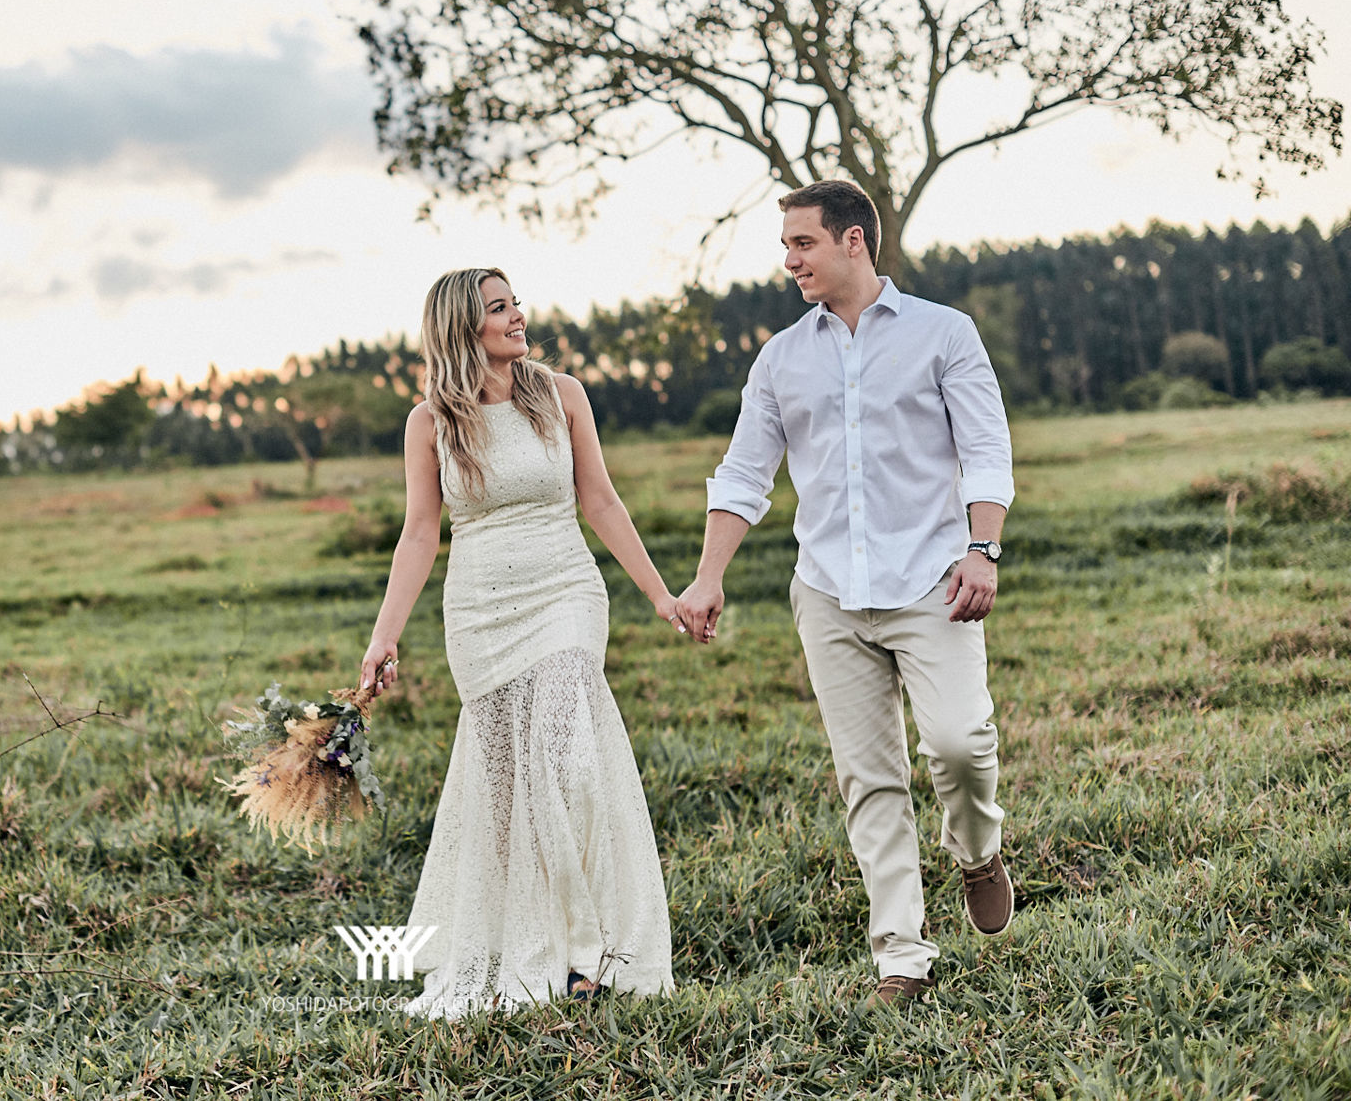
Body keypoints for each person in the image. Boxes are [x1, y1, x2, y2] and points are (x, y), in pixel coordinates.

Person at [676, 179, 1016, 1008]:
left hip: (935, 582)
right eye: (787, 244)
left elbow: (985, 448)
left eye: (802, 243)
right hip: (827, 591)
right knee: (869, 779)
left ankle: (977, 849)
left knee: (960, 746)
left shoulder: (945, 334)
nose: (788, 259)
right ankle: (902, 955)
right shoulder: (781, 358)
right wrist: (708, 574)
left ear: (853, 241)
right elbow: (746, 473)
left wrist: (982, 548)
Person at [360, 266, 680, 1020]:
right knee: (507, 791)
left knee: (571, 767)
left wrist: (660, 594)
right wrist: (384, 638)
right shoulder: (429, 423)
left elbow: (599, 499)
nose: (518, 317)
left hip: (566, 592)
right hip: (481, 613)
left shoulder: (562, 394)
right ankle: (541, 948)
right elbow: (419, 532)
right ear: (462, 329)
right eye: (499, 309)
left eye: (515, 303)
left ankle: (594, 947)